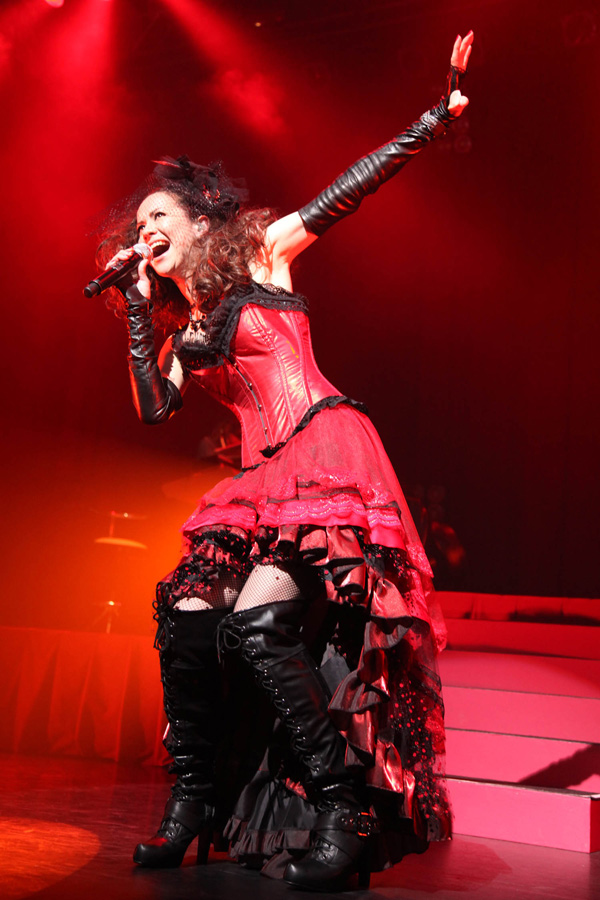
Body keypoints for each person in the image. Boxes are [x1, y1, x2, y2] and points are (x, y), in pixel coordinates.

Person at [97, 32, 473, 892]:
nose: (146, 231)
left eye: (159, 218)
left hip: (325, 452)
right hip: (256, 485)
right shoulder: (185, 331)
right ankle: (194, 800)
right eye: (139, 226)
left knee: (259, 625)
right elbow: (155, 408)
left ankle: (343, 809)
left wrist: (433, 119)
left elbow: (347, 190)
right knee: (187, 614)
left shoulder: (264, 252)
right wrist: (137, 310)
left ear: (200, 222)